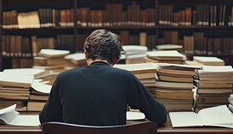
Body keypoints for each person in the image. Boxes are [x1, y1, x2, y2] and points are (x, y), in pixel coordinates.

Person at [39, 29, 167, 127]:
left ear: (85, 53)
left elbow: (45, 119)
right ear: (116, 59)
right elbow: (159, 116)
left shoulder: (64, 79)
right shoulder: (125, 78)